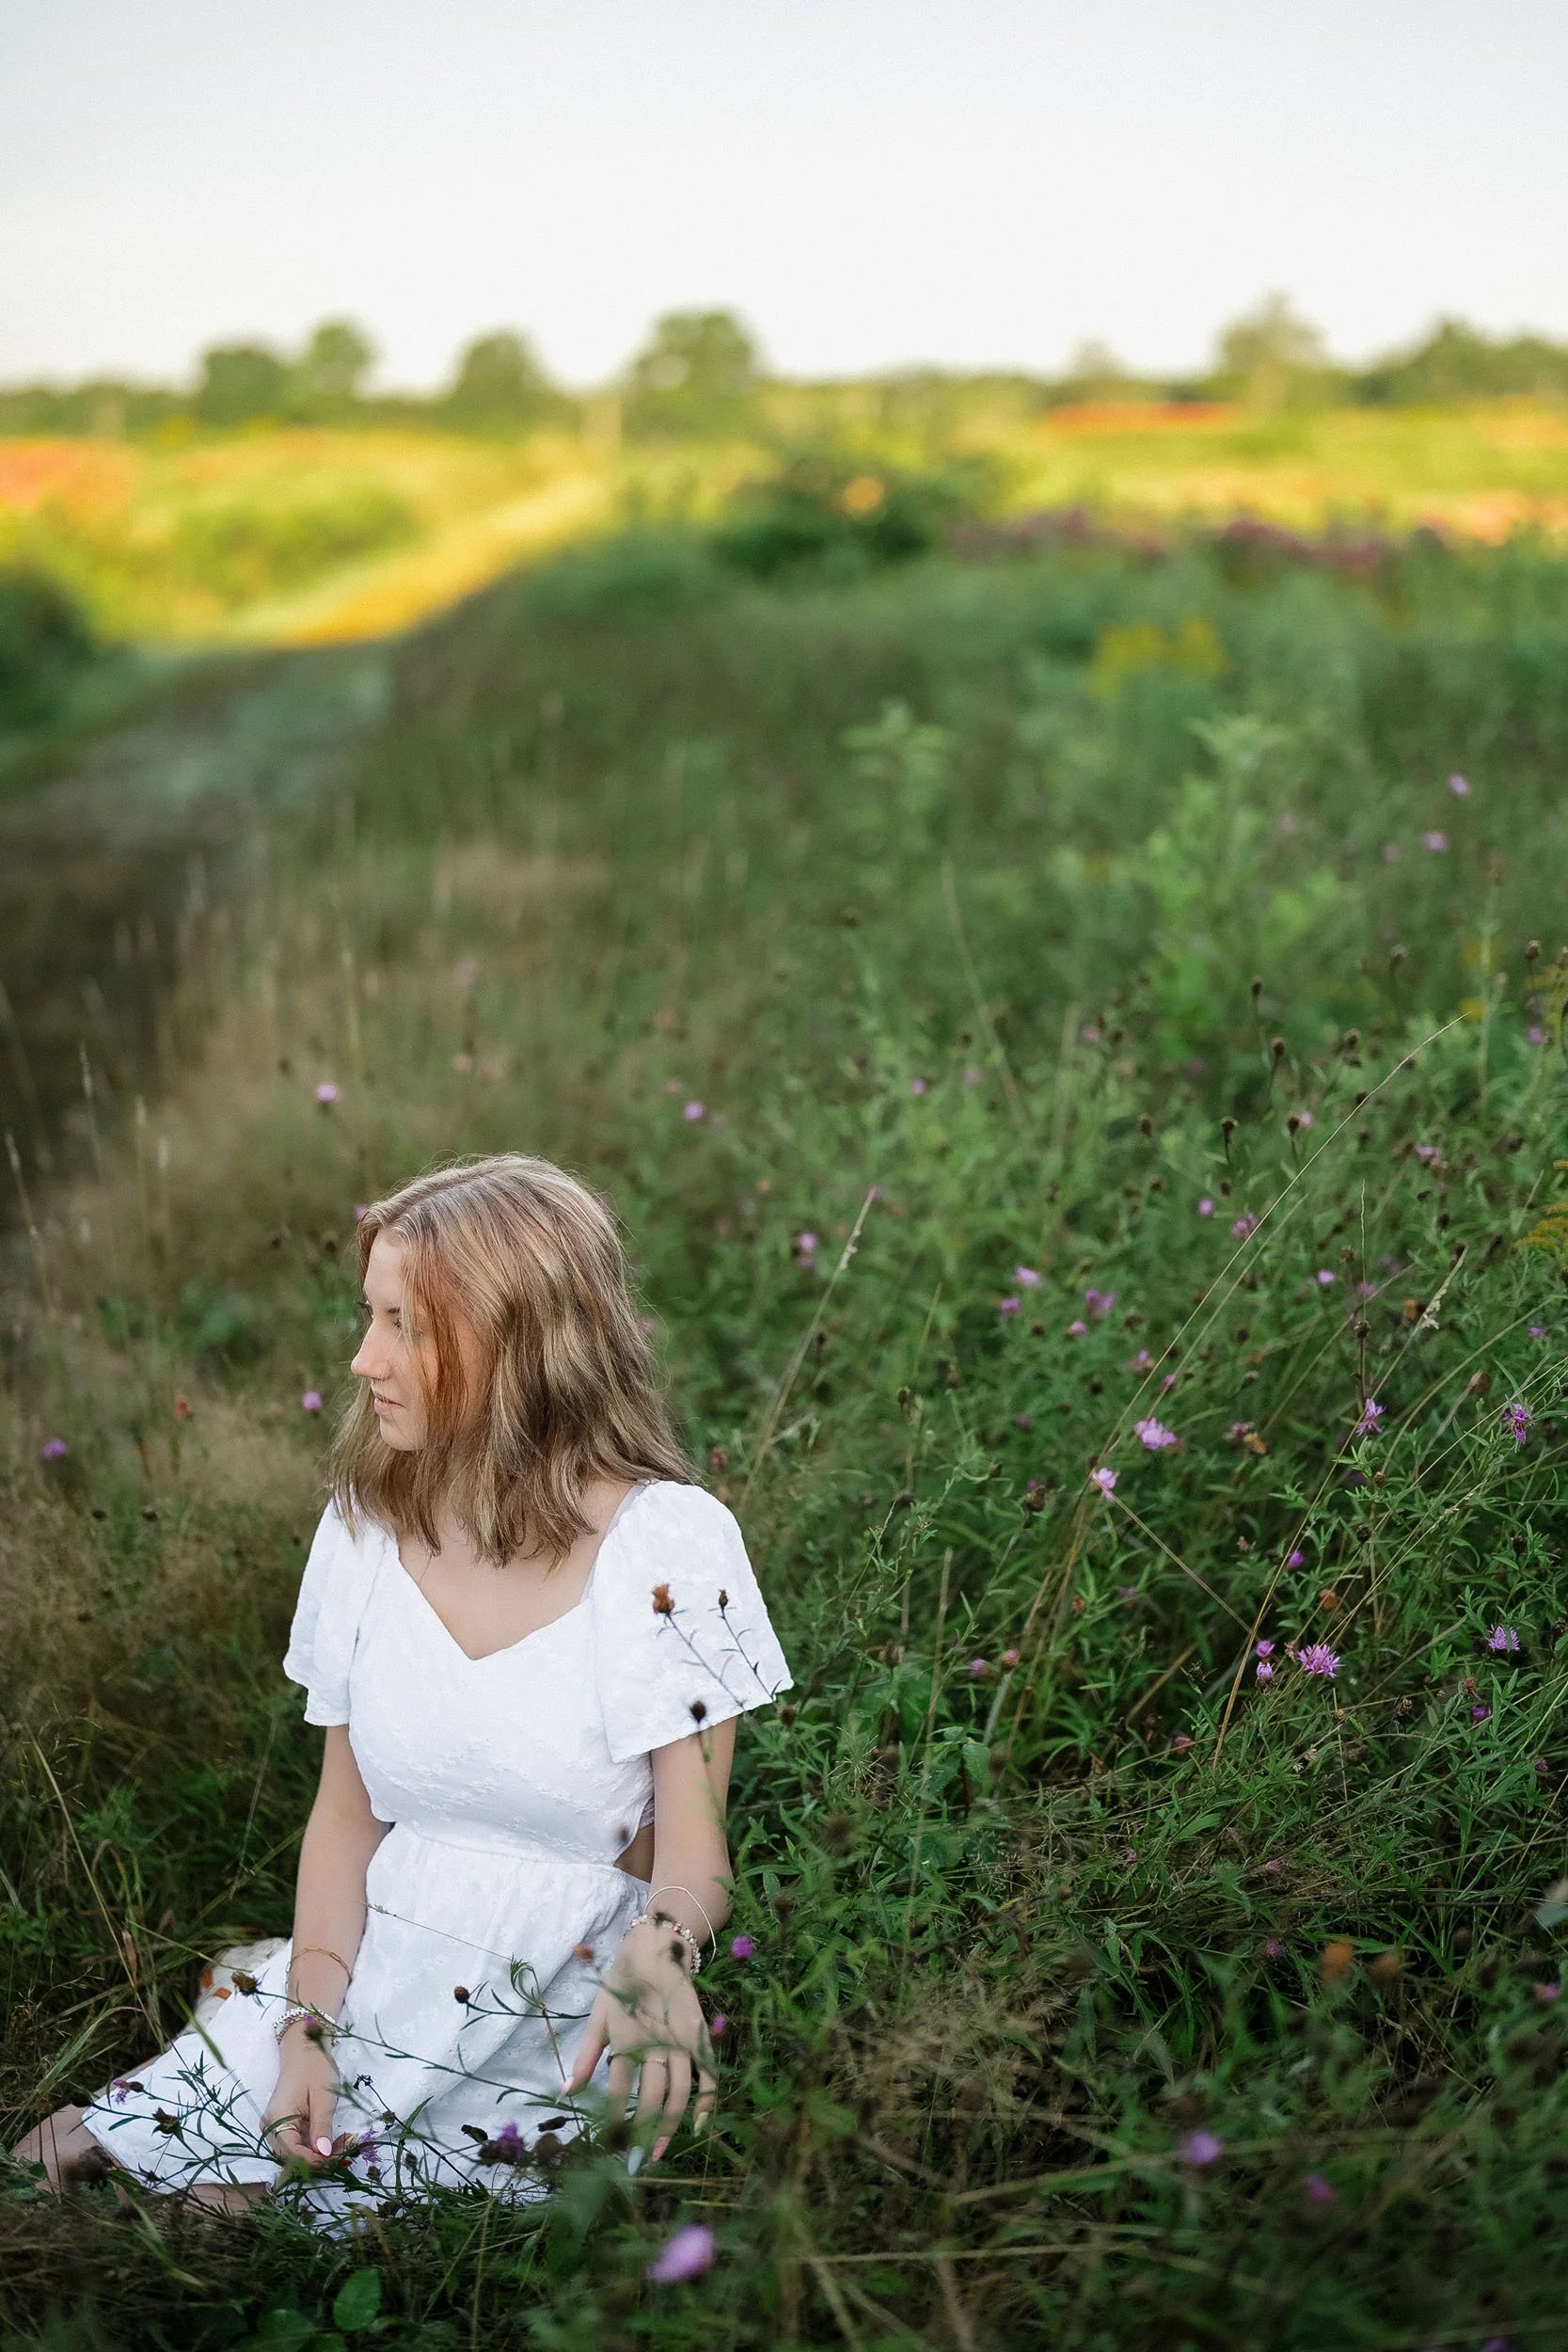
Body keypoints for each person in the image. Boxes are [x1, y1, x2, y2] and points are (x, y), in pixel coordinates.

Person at [14, 1154, 790, 2216]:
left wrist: (664, 1954)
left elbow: (695, 1849)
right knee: (62, 2162)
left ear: (514, 1344)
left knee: (226, 2224)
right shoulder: (365, 1525)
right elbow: (343, 1820)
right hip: (370, 1966)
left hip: (542, 2015)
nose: (361, 1357)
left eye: (403, 1326)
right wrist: (306, 2037)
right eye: (367, 1314)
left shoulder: (671, 1547)